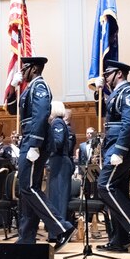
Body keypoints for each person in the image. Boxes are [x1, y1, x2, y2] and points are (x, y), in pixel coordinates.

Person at [5, 56, 75, 250]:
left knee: (29, 188)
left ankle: (62, 227)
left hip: (34, 141)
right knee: (27, 191)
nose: (22, 71)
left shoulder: (40, 86)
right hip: (29, 140)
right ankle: (26, 238)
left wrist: (35, 144)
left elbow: (41, 114)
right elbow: (12, 110)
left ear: (34, 69)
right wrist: (12, 88)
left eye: (25, 68)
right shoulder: (28, 88)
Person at [94, 60, 130, 253]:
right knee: (118, 191)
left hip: (120, 148)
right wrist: (98, 92)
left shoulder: (128, 93)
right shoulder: (115, 94)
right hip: (113, 145)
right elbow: (102, 114)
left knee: (104, 185)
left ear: (118, 74)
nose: (105, 77)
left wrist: (119, 150)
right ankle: (119, 239)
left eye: (107, 74)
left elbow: (129, 123)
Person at [46, 101, 73, 241]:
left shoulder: (57, 123)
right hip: (58, 162)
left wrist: (45, 144)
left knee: (58, 199)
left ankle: (60, 233)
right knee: (55, 198)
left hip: (60, 162)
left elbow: (58, 142)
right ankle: (56, 232)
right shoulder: (58, 122)